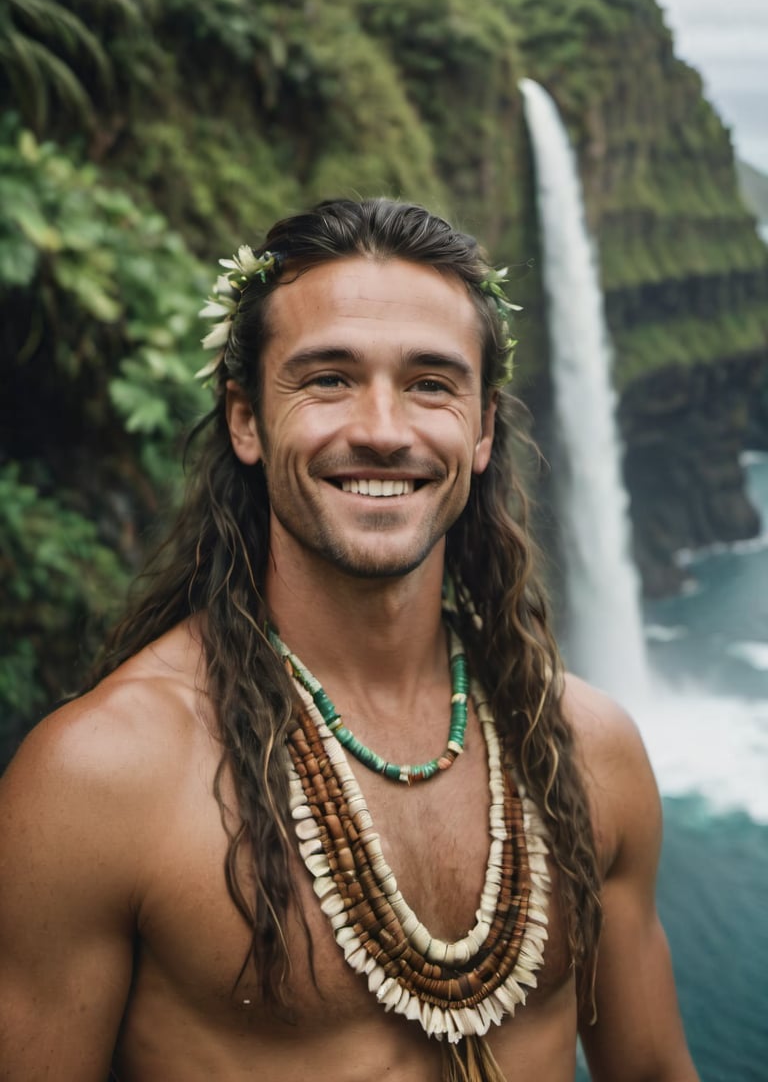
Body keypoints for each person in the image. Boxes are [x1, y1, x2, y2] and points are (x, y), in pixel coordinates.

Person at [0, 198, 698, 1082]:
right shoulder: (103, 778)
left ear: (482, 431)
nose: (382, 429)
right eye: (328, 378)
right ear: (246, 419)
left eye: (432, 383)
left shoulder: (590, 753)